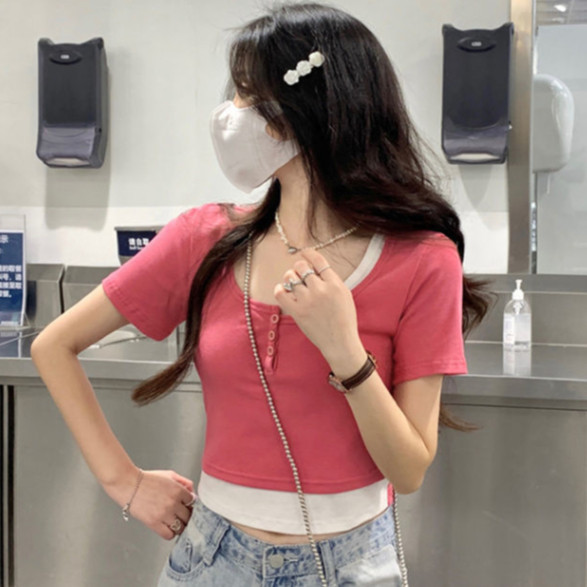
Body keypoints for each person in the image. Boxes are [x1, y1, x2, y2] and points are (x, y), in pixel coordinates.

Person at [31, 3, 491, 586]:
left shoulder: (423, 258)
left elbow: (409, 469)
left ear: (310, 109)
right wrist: (123, 481)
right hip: (211, 558)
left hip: (349, 566)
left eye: (248, 95)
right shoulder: (205, 237)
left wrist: (344, 350)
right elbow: (54, 345)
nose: (231, 113)